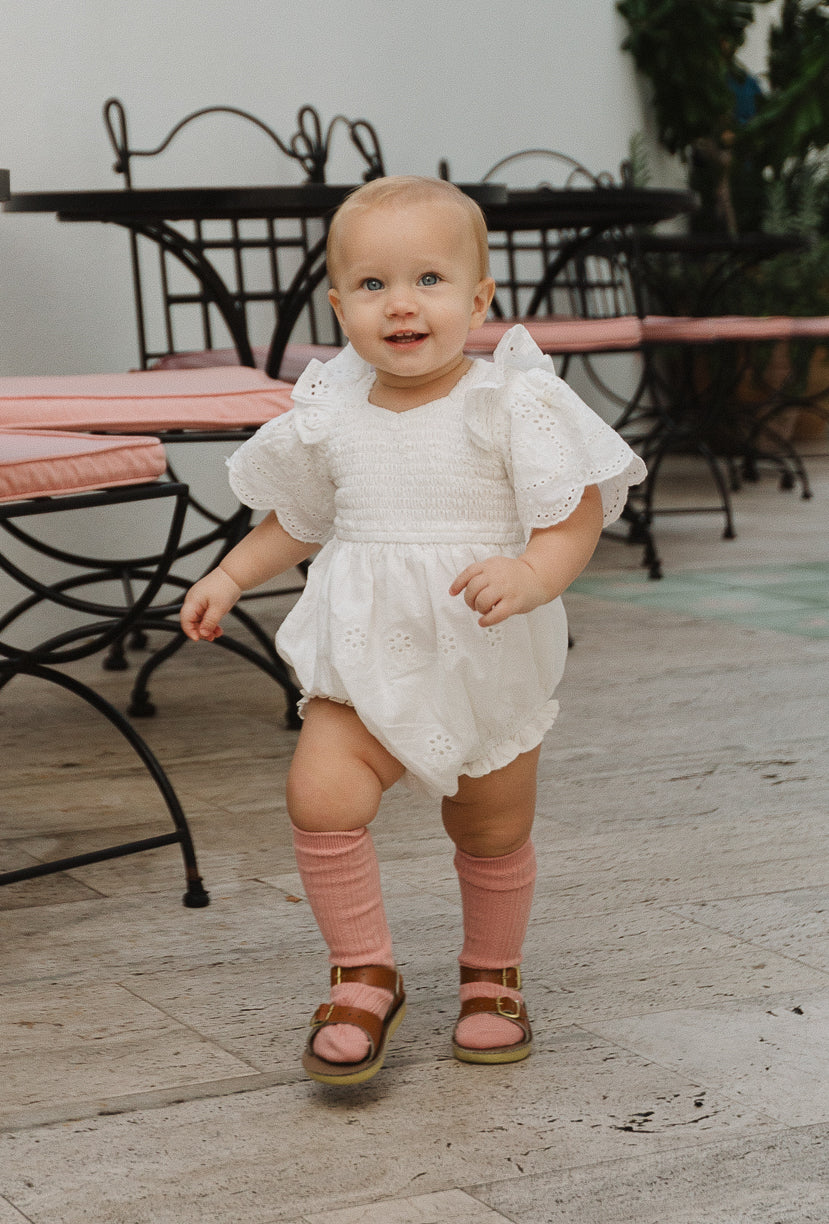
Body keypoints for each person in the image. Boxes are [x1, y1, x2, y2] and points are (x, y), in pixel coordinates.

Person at [180, 175, 646, 1086]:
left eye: (429, 280)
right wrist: (230, 574)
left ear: (478, 299)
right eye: (371, 285)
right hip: (360, 657)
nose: (400, 303)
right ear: (338, 306)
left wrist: (530, 572)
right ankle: (363, 973)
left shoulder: (510, 402)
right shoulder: (331, 409)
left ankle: (489, 976)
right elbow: (298, 518)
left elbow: (573, 512)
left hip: (482, 657)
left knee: (490, 827)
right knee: (320, 796)